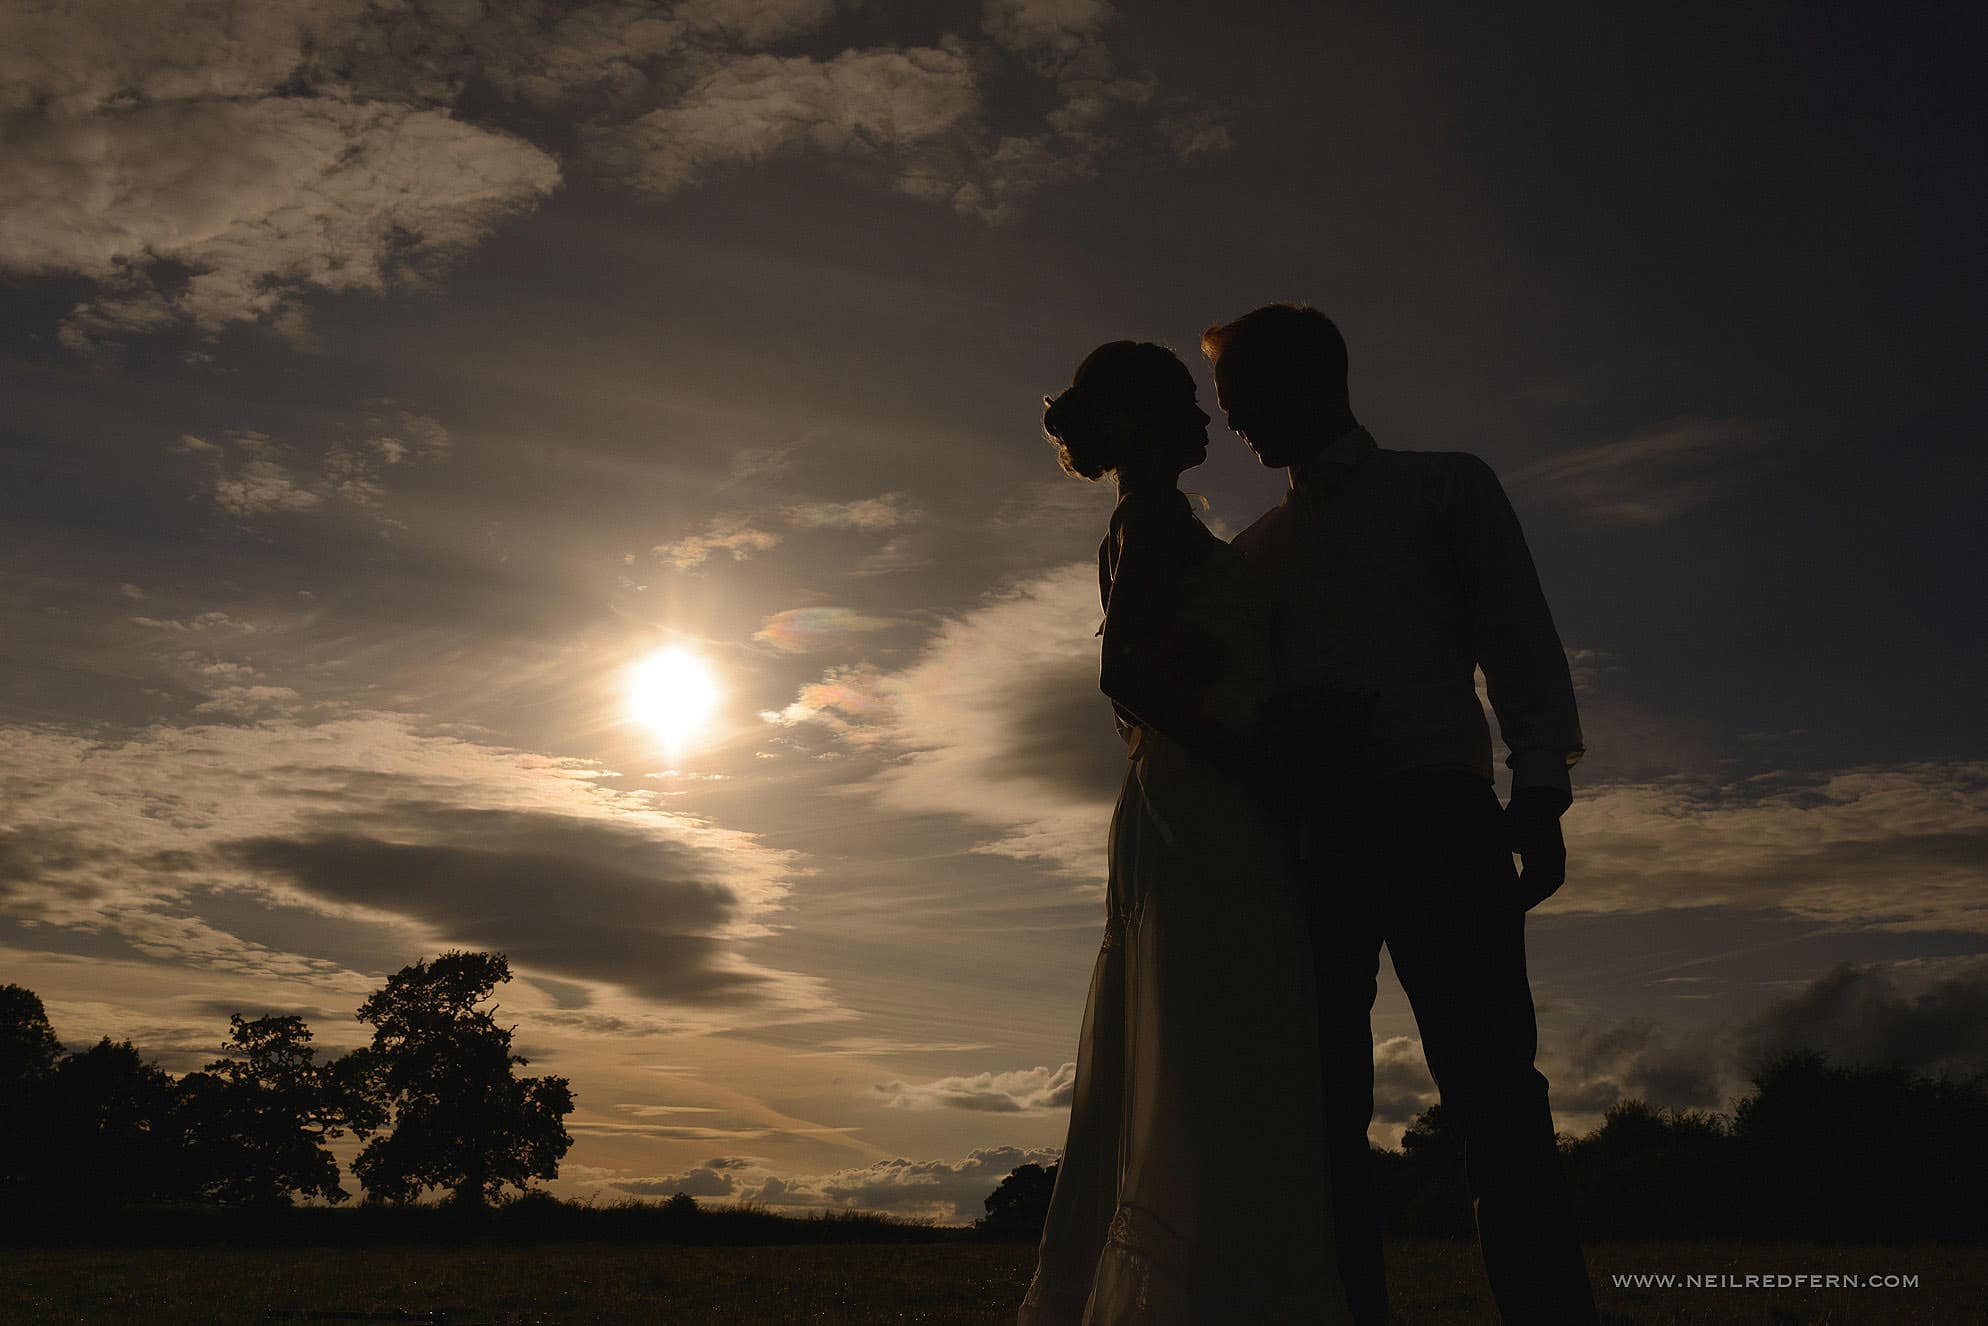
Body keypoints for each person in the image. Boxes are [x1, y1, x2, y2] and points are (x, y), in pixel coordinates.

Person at [1206, 303, 1599, 1324]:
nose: (1234, 420)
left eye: (1246, 394)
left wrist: (1541, 787)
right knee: (1324, 1106)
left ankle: (1548, 1310)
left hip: (1440, 814)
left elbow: (1515, 632)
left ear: (1313, 380)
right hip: (1311, 844)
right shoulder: (1252, 552)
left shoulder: (1444, 484)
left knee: (1491, 1089)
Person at [1016, 340, 1350, 1324]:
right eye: (1184, 405)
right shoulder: (1153, 516)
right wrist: (1258, 763)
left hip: (1186, 799)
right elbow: (1124, 674)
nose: (1208, 421)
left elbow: (1155, 671)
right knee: (1220, 1033)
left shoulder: (1145, 523)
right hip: (1208, 803)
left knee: (1216, 1029)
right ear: (1136, 423)